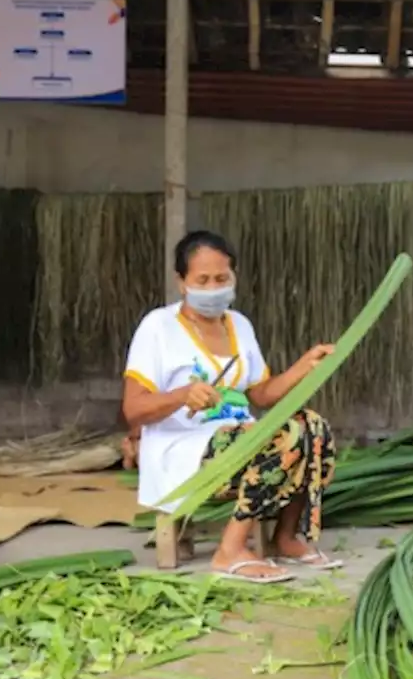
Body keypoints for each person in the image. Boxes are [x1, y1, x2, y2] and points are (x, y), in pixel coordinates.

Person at [122, 230, 340, 584]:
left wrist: (305, 365)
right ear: (181, 282)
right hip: (184, 449)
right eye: (202, 280)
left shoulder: (239, 324)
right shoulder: (158, 327)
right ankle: (230, 550)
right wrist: (182, 395)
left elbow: (261, 395)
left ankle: (284, 537)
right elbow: (133, 410)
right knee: (271, 438)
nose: (213, 288)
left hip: (241, 438)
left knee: (312, 426)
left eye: (221, 278)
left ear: (234, 276)